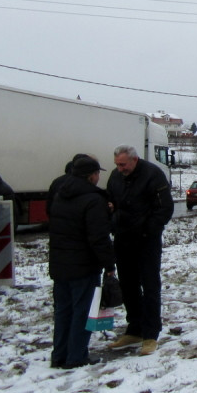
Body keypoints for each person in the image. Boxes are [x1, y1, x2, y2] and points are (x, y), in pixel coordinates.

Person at [105, 145, 174, 356]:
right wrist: (112, 221)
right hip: (123, 239)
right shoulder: (115, 178)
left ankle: (151, 333)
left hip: (146, 241)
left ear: (134, 160)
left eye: (123, 164)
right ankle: (134, 328)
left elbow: (165, 209)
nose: (120, 169)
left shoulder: (153, 175)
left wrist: (148, 231)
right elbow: (110, 202)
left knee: (150, 285)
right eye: (117, 165)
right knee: (128, 285)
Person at [48, 156, 115, 369]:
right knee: (82, 311)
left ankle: (59, 355)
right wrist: (109, 264)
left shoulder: (61, 194)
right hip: (83, 265)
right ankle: (77, 356)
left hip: (60, 263)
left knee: (62, 311)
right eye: (97, 173)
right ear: (91, 175)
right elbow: (98, 237)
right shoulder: (93, 199)